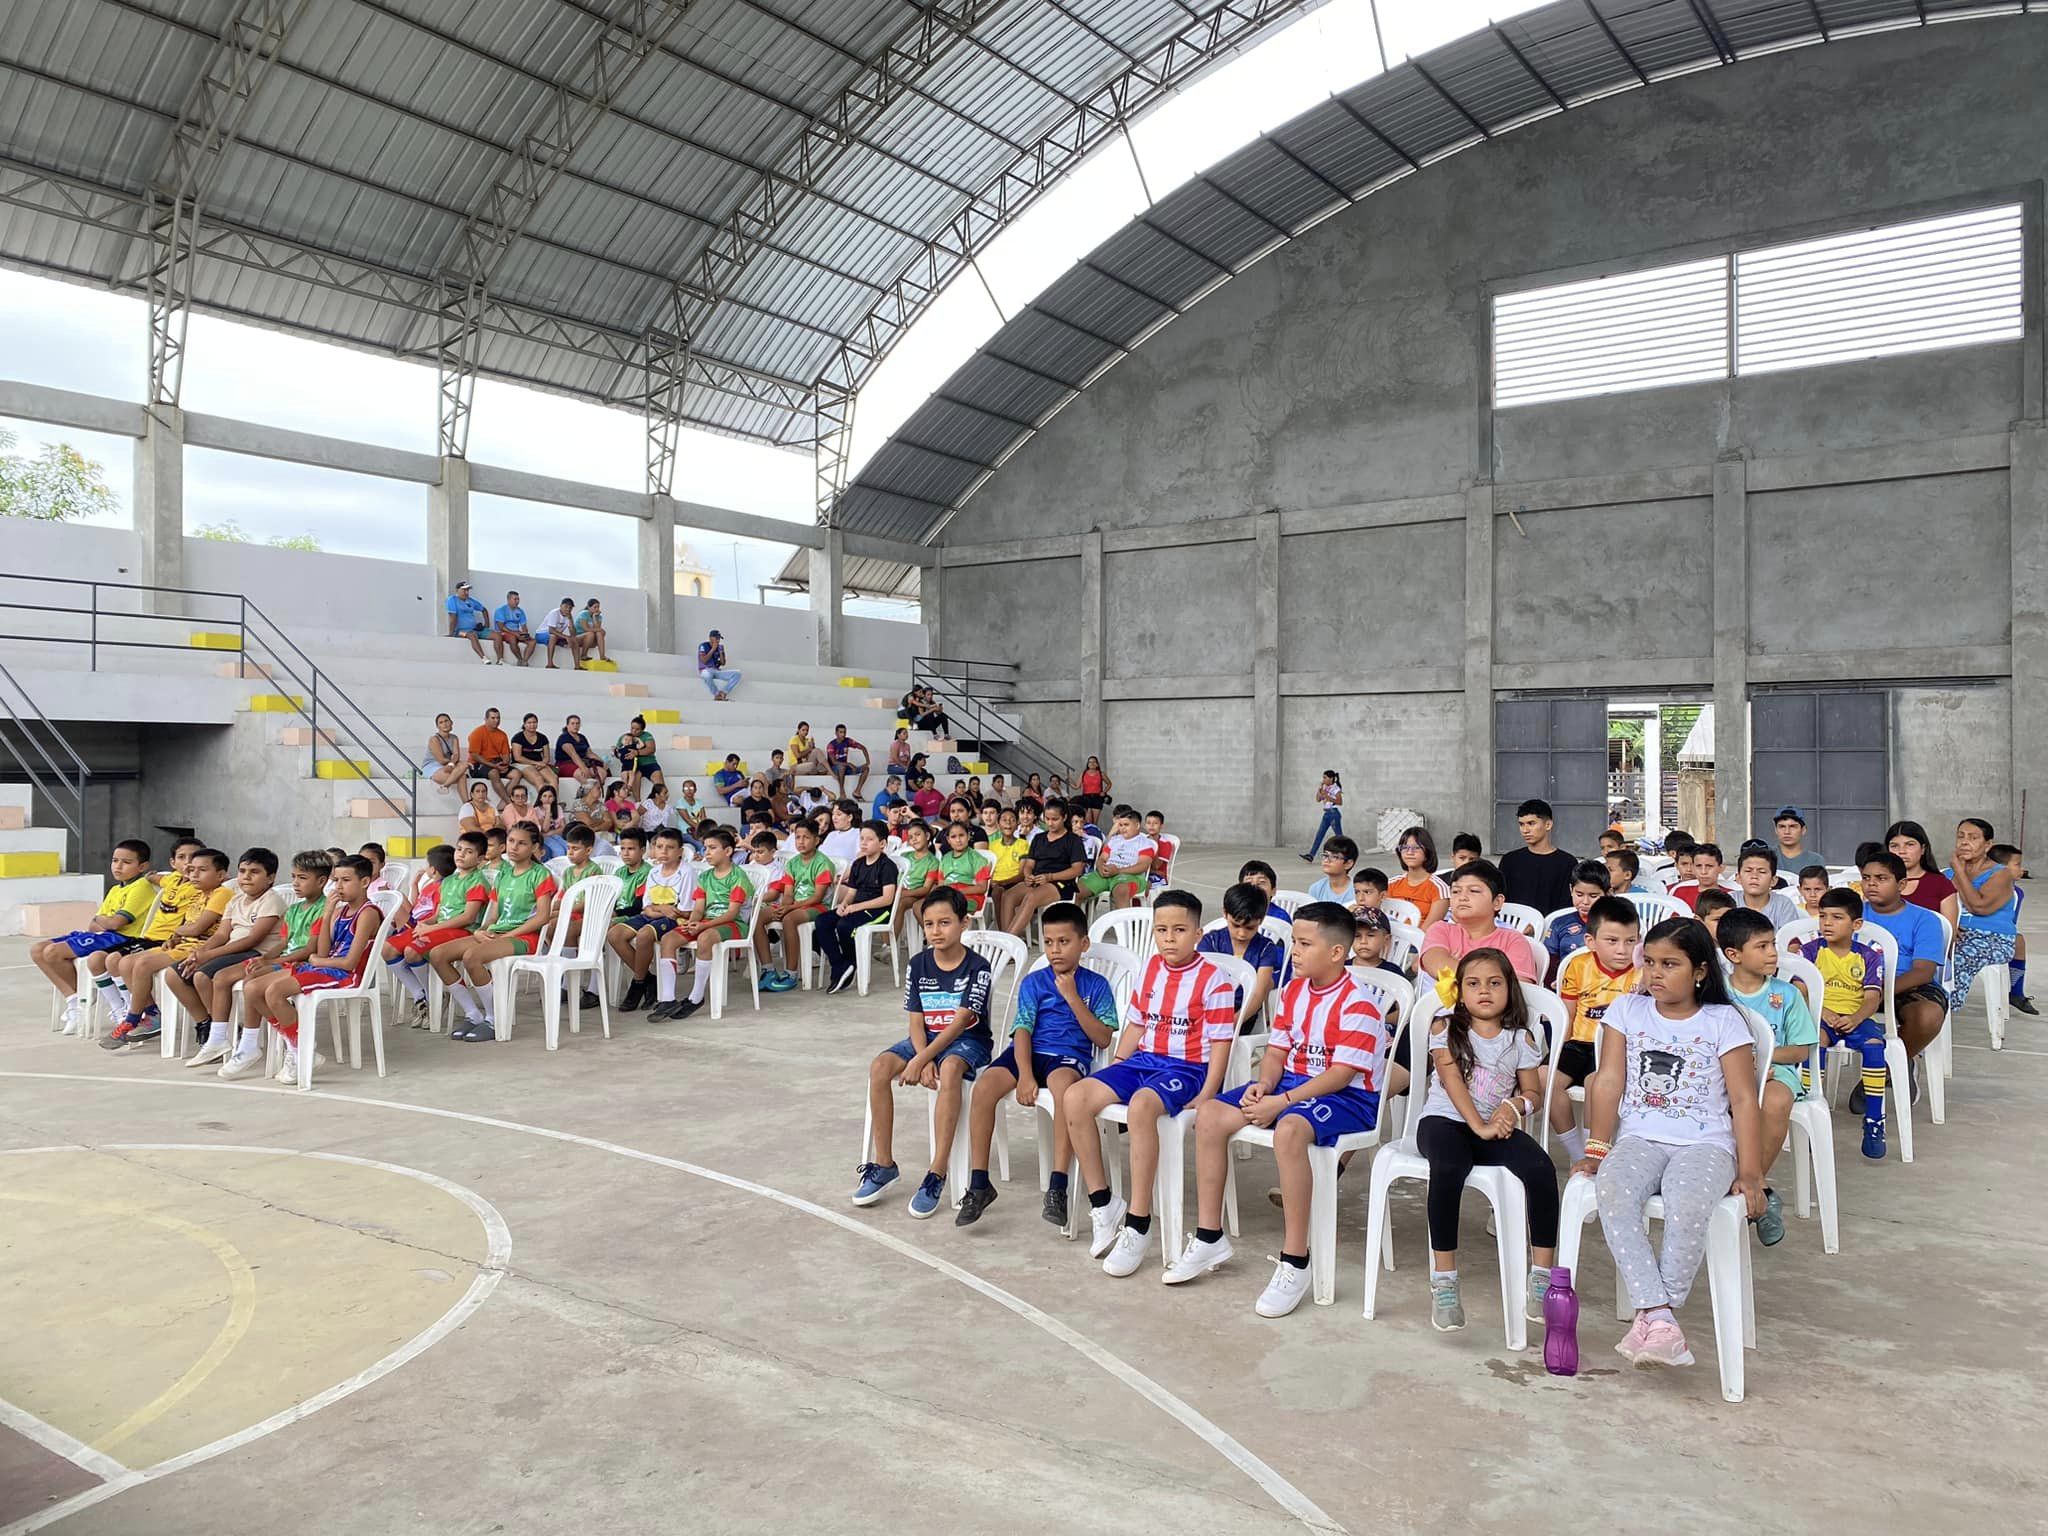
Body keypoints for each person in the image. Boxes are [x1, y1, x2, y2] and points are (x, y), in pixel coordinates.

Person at [1163, 902, 1384, 1315]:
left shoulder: (1359, 1003)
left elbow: (1340, 1075)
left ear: (1336, 952)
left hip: (1348, 1098)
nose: (1294, 951)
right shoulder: (1294, 992)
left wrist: (1279, 1103)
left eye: (1304, 944)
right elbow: (1277, 1052)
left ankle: (1296, 1260)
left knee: (1290, 1129)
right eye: (1294, 942)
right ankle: (1210, 1237)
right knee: (1210, 1115)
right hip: (1290, 1086)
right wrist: (1263, 1085)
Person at [1573, 917, 1766, 1370]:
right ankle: (1660, 1316)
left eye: (1670, 964)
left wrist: (1751, 1173)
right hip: (1640, 1138)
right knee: (1615, 1191)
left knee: (1688, 1201)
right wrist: (1597, 1149)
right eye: (1650, 962)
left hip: (1706, 1145)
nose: (1655, 973)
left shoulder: (1723, 1021)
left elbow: (1743, 1098)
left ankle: (1655, 1313)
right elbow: (1609, 1081)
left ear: (1700, 971)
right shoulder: (1627, 1010)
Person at [1060, 891, 1237, 1277]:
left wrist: (1208, 1093)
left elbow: (1222, 1043)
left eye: (1179, 930)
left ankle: (1138, 1224)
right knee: (1076, 1096)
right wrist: (1118, 1065)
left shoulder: (1215, 981)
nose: (1169, 938)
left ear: (1198, 934)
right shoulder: (1152, 968)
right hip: (1142, 1062)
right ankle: (1104, 1203)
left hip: (1187, 1069)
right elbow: (1137, 1024)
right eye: (1161, 930)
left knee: (1142, 1105)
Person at [1404, 946, 1558, 1332]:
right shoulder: (1445, 1029)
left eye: (1494, 983)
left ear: (1510, 989)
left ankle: (1541, 1277)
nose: (1484, 991)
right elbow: (1452, 1083)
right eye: (1473, 984)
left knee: (1541, 1167)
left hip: (1494, 1127)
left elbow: (1534, 1093)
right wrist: (1480, 1125)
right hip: (1443, 1122)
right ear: (1460, 991)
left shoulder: (1521, 1038)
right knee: (1449, 1167)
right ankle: (1444, 1281)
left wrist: (1513, 1107)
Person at [957, 901, 1118, 1229]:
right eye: (1048, 942)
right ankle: (979, 1183)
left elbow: (1103, 1039)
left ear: (1083, 944)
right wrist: (1026, 1075)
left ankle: (1057, 1185)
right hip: (1028, 1052)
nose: (1055, 950)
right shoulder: (1034, 982)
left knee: (1063, 1088)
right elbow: (1022, 1031)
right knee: (984, 1088)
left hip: (1067, 1056)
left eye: (1064, 941)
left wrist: (1072, 997)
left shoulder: (1096, 985)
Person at [851, 887, 994, 1216]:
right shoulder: (918, 964)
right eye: (929, 924)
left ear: (964, 923)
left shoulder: (978, 967)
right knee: (879, 1067)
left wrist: (923, 1059)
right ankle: (884, 1164)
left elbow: (960, 1023)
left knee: (950, 1069)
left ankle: (937, 1172)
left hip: (968, 1041)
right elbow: (916, 1020)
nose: (936, 931)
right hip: (925, 1039)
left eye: (945, 922)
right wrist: (922, 1056)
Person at [1717, 908, 1816, 1247]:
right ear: (1734, 955)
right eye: (1762, 946)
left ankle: (1750, 1186)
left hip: (1776, 1072)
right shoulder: (1718, 995)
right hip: (1724, 1073)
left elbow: (1800, 1050)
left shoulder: (1787, 994)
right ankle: (1760, 1192)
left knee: (1776, 1101)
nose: (1773, 953)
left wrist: (1763, 1061)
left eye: (1773, 944)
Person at [242, 855, 384, 1082]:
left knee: (274, 991)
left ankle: (300, 1050)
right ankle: (297, 1047)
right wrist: (327, 914)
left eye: (346, 880)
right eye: (336, 881)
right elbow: (324, 951)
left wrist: (318, 961)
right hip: (325, 967)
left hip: (345, 975)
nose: (338, 887)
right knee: (252, 988)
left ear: (365, 882)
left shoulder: (367, 913)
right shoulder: (339, 912)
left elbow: (349, 963)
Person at [437, 822, 559, 1042]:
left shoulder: (540, 874)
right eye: (511, 841)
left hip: (525, 938)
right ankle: (473, 1014)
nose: (514, 847)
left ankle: (494, 1019)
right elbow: (492, 914)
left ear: (534, 847)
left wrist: (507, 936)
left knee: (472, 957)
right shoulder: (503, 873)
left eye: (522, 843)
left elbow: (542, 917)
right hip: (498, 934)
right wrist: (480, 931)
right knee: (439, 955)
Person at [166, 847, 288, 1064]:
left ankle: (219, 1035)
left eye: (254, 872)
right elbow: (222, 935)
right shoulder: (235, 901)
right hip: (233, 949)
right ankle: (213, 1027)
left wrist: (209, 955)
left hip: (257, 952)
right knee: (175, 973)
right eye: (242, 871)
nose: (246, 877)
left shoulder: (271, 900)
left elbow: (253, 939)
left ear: (270, 878)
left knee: (203, 976)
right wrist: (200, 953)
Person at [102, 848, 233, 1049]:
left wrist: (180, 931)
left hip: (199, 947)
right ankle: (152, 1014)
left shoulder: (222, 893)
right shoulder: (198, 895)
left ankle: (132, 1018)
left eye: (202, 870)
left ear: (221, 875)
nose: (194, 875)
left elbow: (197, 928)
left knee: (143, 964)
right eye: (192, 870)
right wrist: (175, 937)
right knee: (126, 962)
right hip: (183, 944)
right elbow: (188, 924)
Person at [1797, 888, 1890, 1159]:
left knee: (1875, 1045)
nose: (1827, 923)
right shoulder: (1809, 951)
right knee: (1814, 1043)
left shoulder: (1869, 955)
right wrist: (1823, 1012)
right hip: (1819, 1017)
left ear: (1856, 924)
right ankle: (1811, 1110)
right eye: (1823, 916)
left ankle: (1874, 1120)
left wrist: (1856, 1018)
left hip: (1855, 1017)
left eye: (1837, 917)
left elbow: (1873, 997)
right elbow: (1800, 991)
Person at [1546, 896, 1641, 1161]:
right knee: (1544, 1079)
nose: (1622, 950)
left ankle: (1595, 1154)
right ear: (1591, 941)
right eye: (1612, 941)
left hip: (1617, 1049)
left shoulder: (1643, 972)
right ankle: (1578, 1155)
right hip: (1579, 1043)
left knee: (1594, 1084)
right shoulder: (1578, 966)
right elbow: (1567, 1014)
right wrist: (1558, 1051)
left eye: (1630, 941)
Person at [33, 838, 155, 1034]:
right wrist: (103, 920)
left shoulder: (141, 887)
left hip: (122, 938)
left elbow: (116, 923)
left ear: (142, 866)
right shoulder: (115, 889)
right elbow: (93, 925)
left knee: (53, 952)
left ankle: (85, 1002)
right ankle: (74, 1000)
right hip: (105, 935)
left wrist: (102, 919)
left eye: (126, 862)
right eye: (115, 861)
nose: (118, 866)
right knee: (38, 950)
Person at [386, 835, 490, 1026]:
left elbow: (467, 918)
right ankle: (421, 995)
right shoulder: (448, 881)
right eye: (459, 849)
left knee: (412, 951)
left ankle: (437, 999)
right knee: (388, 949)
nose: (461, 854)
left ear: (480, 859)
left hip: (462, 931)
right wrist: (425, 923)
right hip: (440, 928)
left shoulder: (477, 882)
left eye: (469, 852)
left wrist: (432, 928)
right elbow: (439, 913)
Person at [649, 827, 750, 1021]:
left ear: (728, 851)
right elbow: (698, 909)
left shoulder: (738, 877)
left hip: (733, 924)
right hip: (705, 922)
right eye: (705, 848)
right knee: (669, 939)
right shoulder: (704, 877)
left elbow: (732, 913)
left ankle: (696, 997)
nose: (707, 853)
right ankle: (668, 999)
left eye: (712, 848)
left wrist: (703, 926)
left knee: (705, 938)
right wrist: (693, 922)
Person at [1418, 860, 1543, 987]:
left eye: (1474, 891)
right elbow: (1436, 964)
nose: (1462, 897)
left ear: (1497, 902)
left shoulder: (1514, 941)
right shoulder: (1440, 929)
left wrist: (1457, 967)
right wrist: (1493, 976)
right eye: (1456, 891)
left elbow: (1518, 987)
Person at [814, 821, 900, 993]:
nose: (864, 843)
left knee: (844, 925)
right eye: (861, 838)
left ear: (882, 843)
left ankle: (850, 962)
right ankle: (839, 965)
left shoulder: (887, 866)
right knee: (822, 921)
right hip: (857, 907)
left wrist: (856, 907)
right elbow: (852, 892)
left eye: (869, 839)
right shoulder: (858, 864)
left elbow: (887, 899)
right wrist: (844, 904)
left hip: (879, 911)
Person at [1948, 816, 2019, 1021]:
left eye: (1973, 838)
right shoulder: (1947, 873)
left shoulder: (2001, 874)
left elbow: (1978, 906)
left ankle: (1943, 1007)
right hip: (1956, 934)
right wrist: (1949, 924)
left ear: (1987, 845)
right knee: (1923, 953)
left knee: (1956, 956)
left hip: (1993, 939)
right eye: (1960, 836)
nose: (1964, 842)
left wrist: (1959, 872)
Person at [611, 828, 689, 1011]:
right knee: (615, 935)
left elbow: (684, 911)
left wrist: (657, 910)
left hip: (676, 920)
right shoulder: (654, 872)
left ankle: (638, 984)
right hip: (654, 914)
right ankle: (648, 979)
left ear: (680, 851)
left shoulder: (686, 872)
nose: (663, 851)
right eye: (659, 847)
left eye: (670, 847)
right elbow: (646, 907)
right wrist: (661, 909)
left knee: (645, 934)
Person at [757, 820, 835, 992]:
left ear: (816, 840)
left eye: (806, 837)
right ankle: (767, 969)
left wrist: (789, 909)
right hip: (794, 905)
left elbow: (817, 897)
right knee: (758, 916)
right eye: (798, 837)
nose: (801, 841)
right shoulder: (792, 863)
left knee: (789, 920)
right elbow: (788, 894)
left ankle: (791, 973)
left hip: (818, 907)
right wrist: (783, 907)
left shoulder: (823, 863)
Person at [1196, 881, 1285, 1029]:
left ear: (1261, 919)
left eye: (1250, 927)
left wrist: (1232, 1022)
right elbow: (1198, 985)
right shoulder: (1210, 942)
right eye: (1236, 925)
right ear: (1225, 913)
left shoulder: (1266, 948)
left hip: (1243, 1015)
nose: (1242, 933)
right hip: (1207, 1011)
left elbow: (1258, 993)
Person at [998, 800, 1089, 937]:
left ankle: (1008, 942)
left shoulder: (1073, 840)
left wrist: (1050, 877)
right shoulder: (1039, 838)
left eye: (1055, 819)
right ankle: (1008, 939)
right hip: (1037, 880)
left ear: (1064, 817)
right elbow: (1029, 864)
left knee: (1031, 897)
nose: (1050, 823)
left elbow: (1077, 870)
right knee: (1008, 896)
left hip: (1061, 883)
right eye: (1047, 819)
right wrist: (1028, 875)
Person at [1501, 799, 1578, 914]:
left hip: (1553, 923)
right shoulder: (1509, 860)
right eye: (1521, 824)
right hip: (1514, 923)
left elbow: (1567, 905)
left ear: (1548, 825)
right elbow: (1501, 899)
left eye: (1531, 823)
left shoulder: (1567, 863)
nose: (1525, 830)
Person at [1076, 804, 1155, 911]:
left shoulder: (1145, 842)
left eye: (1126, 825)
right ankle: (1073, 920)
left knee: (1121, 891)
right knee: (1077, 890)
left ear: (1137, 825)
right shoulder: (1114, 840)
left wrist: (1118, 871)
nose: (1122, 828)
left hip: (1130, 875)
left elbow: (1143, 866)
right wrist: (1100, 868)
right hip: (1106, 873)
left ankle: (1122, 922)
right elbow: (1102, 858)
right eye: (1120, 825)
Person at [1883, 818, 1959, 928]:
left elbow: (1949, 932)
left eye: (1910, 844)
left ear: (1923, 849)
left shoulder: (1941, 884)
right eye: (1894, 846)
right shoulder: (1876, 883)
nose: (1902, 851)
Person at [1542, 861, 1611, 980]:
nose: (1585, 902)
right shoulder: (1559, 924)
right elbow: (1549, 961)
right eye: (1579, 894)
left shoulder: (1616, 924)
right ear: (1571, 890)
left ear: (1607, 893)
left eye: (1593, 896)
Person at [1387, 826, 1450, 927]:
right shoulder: (1390, 884)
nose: (1409, 852)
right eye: (1404, 847)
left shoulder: (1440, 888)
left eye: (1416, 848)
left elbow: (1429, 930)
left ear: (1427, 852)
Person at [1733, 846, 1800, 926]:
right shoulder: (1728, 901)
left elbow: (1788, 933)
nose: (1754, 876)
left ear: (1773, 880)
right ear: (1738, 878)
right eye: (1748, 871)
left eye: (1762, 872)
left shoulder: (1783, 905)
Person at [938, 821, 992, 915]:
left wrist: (956, 892)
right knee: (925, 906)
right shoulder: (945, 859)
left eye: (961, 835)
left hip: (970, 898)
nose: (958, 840)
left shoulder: (977, 859)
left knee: (949, 907)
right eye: (953, 837)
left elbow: (982, 887)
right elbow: (941, 885)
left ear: (968, 836)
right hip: (948, 897)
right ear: (948, 840)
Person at [467, 707, 514, 798]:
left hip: (496, 762)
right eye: (493, 718)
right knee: (494, 773)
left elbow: (506, 754)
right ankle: (508, 802)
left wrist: (505, 764)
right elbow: (474, 755)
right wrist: (494, 766)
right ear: (486, 719)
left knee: (517, 774)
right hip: (479, 764)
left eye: (498, 718)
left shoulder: (502, 734)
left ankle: (504, 801)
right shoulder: (477, 733)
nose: (496, 720)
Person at [1772, 805, 1831, 877]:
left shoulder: (1815, 860)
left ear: (1803, 830)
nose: (1787, 832)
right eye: (1782, 826)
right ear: (1776, 830)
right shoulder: (1766, 857)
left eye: (1793, 826)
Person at [614, 716, 663, 801]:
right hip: (634, 765)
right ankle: (638, 801)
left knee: (659, 780)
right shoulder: (625, 737)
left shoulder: (647, 736)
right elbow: (617, 750)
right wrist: (621, 755)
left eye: (637, 729)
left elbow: (651, 749)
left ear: (642, 730)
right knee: (635, 775)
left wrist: (637, 753)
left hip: (649, 764)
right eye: (632, 728)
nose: (634, 731)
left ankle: (659, 802)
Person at [1300, 769, 1344, 861]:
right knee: (1319, 835)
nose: (1323, 780)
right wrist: (1320, 790)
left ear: (1331, 778)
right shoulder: (1325, 788)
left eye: (1325, 777)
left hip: (1333, 813)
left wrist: (1327, 796)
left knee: (1339, 836)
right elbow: (1318, 799)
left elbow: (1340, 802)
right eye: (1323, 778)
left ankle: (1346, 854)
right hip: (1326, 814)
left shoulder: (1336, 788)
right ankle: (1311, 855)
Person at [1672, 842, 1729, 910]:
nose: (1703, 872)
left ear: (1721, 868)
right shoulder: (1680, 892)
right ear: (1693, 868)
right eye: (1698, 866)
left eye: (1709, 866)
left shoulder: (1731, 895)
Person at [509, 713, 555, 794]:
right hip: (521, 764)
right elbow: (518, 757)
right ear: (524, 724)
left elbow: (546, 757)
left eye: (534, 722)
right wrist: (536, 763)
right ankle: (542, 801)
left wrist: (543, 763)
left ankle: (554, 801)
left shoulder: (543, 738)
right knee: (538, 778)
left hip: (539, 764)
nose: (532, 725)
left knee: (554, 779)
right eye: (529, 723)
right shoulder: (518, 738)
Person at [445, 580, 491, 662]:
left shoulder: (470, 600)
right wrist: (451, 633)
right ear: (457, 590)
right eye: (464, 590)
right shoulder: (452, 600)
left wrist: (486, 625)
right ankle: (483, 657)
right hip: (460, 632)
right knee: (472, 635)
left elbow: (484, 609)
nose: (466, 592)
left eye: (467, 590)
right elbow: (453, 617)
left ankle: (500, 660)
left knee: (497, 635)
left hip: (474, 629)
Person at [1305, 834, 1358, 905]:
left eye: (1335, 857)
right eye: (1325, 855)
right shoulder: (1316, 889)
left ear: (1348, 864)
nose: (1327, 860)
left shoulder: (1359, 890)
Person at [554, 714, 602, 792]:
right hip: (565, 764)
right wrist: (584, 768)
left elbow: (589, 753)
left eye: (577, 723)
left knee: (601, 772)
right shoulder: (564, 738)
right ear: (567, 725)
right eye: (572, 723)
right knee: (582, 773)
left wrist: (602, 762)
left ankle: (595, 791)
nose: (575, 726)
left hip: (582, 762)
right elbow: (574, 755)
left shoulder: (582, 737)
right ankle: (587, 792)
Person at [423, 712, 467, 790]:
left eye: (446, 721)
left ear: (451, 722)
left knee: (464, 766)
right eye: (441, 722)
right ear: (438, 726)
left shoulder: (454, 738)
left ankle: (445, 786)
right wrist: (453, 763)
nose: (445, 724)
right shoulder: (434, 739)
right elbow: (441, 760)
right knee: (461, 775)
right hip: (433, 765)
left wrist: (453, 763)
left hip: (448, 764)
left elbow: (456, 755)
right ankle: (445, 786)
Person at [492, 590, 536, 667]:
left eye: (518, 599)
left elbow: (524, 626)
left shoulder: (520, 611)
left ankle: (524, 661)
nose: (517, 601)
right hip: (503, 632)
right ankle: (520, 659)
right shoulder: (500, 610)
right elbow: (501, 627)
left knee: (533, 641)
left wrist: (524, 634)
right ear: (508, 600)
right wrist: (515, 634)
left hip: (516, 632)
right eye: (515, 599)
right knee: (513, 639)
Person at [542, 597, 589, 669]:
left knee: (574, 639)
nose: (568, 609)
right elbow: (551, 630)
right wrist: (566, 637)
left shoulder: (568, 616)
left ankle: (577, 666)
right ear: (561, 606)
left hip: (556, 636)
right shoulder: (554, 613)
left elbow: (573, 634)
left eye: (570, 608)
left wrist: (570, 619)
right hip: (542, 634)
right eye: (566, 607)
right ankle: (550, 664)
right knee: (553, 636)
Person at [825, 724, 871, 797]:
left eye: (844, 732)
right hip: (834, 769)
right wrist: (849, 764)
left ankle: (857, 791)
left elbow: (863, 747)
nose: (843, 734)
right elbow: (834, 762)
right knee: (842, 767)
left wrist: (868, 762)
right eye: (841, 732)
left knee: (866, 769)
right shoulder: (831, 745)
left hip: (845, 768)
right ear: (836, 733)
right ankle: (842, 792)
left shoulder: (847, 741)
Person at [696, 628, 740, 700]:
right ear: (710, 638)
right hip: (705, 670)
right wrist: (713, 649)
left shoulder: (719, 647)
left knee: (737, 674)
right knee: (706, 675)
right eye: (716, 638)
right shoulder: (703, 646)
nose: (718, 640)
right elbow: (704, 660)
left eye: (719, 638)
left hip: (716, 671)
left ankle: (724, 692)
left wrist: (721, 652)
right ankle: (717, 694)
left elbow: (723, 663)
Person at [575, 598, 608, 664]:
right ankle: (583, 655)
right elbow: (586, 629)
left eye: (598, 607)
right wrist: (600, 629)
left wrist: (594, 617)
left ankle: (602, 656)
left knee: (599, 633)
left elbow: (597, 630)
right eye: (595, 607)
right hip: (578, 639)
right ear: (589, 607)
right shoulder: (583, 613)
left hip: (590, 641)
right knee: (591, 633)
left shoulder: (599, 616)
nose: (597, 609)